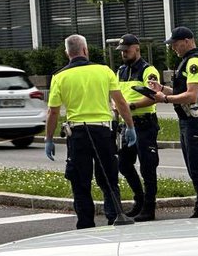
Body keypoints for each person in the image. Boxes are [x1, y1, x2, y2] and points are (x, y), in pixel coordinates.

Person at [45, 34, 136, 229]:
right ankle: (115, 217)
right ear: (86, 50)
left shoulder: (59, 77)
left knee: (80, 182)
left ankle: (85, 224)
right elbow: (120, 102)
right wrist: (130, 126)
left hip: (77, 134)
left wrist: (49, 138)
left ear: (67, 53)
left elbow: (53, 112)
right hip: (103, 132)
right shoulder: (104, 71)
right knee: (109, 178)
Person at [148, 26, 198, 218]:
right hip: (186, 118)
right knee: (191, 164)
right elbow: (181, 92)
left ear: (187, 41)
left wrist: (164, 98)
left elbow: (191, 96)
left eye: (175, 44)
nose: (173, 48)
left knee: (196, 164)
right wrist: (161, 88)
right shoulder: (186, 62)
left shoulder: (195, 62)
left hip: (194, 117)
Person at [115, 33, 161, 221]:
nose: (124, 53)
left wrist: (130, 106)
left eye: (127, 50)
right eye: (121, 51)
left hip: (144, 123)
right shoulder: (121, 71)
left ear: (137, 49)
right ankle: (139, 200)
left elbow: (152, 95)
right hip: (127, 124)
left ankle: (149, 208)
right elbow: (117, 94)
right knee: (124, 164)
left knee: (148, 167)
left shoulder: (148, 70)